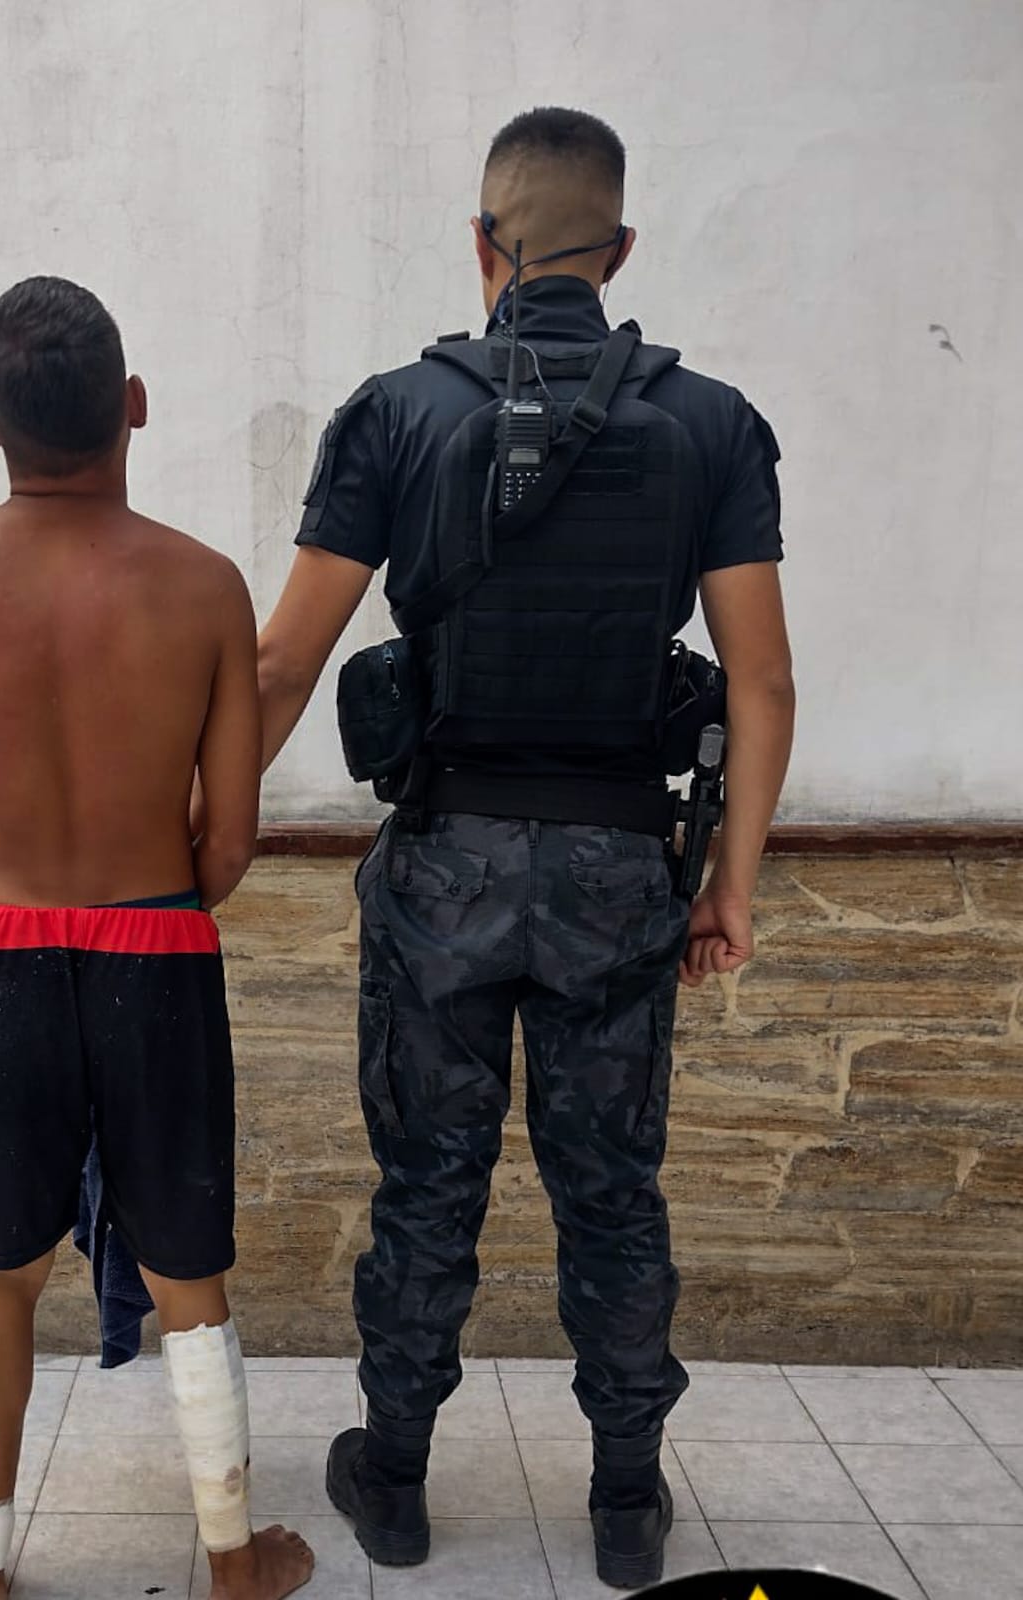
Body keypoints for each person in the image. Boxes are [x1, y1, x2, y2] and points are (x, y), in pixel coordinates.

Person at [249, 109, 795, 1587]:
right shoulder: (713, 425)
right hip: (622, 873)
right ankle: (624, 1502)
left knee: (427, 1185)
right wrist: (727, 886)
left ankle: (402, 1484)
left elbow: (284, 665)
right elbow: (763, 683)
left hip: (443, 872)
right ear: (620, 251)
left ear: (481, 245)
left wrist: (206, 830)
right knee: (611, 1190)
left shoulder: (396, 414)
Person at [0, 276, 314, 1600]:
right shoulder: (201, 588)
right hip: (160, 948)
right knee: (190, 1268)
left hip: (3, 942)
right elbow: (231, 843)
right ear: (134, 408)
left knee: (0, 1276)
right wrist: (151, 888)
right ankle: (234, 1558)